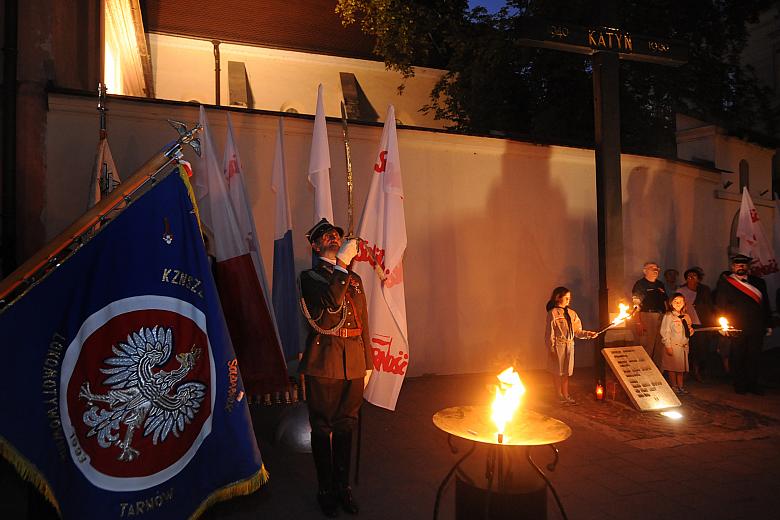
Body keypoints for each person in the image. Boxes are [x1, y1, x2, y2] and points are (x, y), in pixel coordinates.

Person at [299, 218, 373, 517]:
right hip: (325, 361)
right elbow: (329, 313)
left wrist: (368, 362)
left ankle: (343, 487)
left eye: (336, 235)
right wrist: (342, 263)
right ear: (315, 246)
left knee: (346, 425)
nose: (333, 237)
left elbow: (363, 323)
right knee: (322, 426)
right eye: (325, 236)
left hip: (353, 360)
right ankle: (325, 489)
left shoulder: (354, 280)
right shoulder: (310, 278)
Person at [714, 254, 772, 395]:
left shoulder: (759, 283)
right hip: (737, 326)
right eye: (738, 265)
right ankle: (739, 384)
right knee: (738, 356)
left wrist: (768, 324)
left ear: (748, 267)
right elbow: (721, 305)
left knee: (754, 356)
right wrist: (722, 325)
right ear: (733, 267)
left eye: (744, 264)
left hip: (756, 326)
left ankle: (753, 384)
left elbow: (765, 305)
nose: (741, 267)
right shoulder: (726, 283)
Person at [544, 287, 597, 404]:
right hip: (558, 346)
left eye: (569, 298)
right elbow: (549, 333)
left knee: (566, 372)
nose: (568, 300)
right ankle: (558, 395)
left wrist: (588, 334)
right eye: (566, 298)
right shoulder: (553, 313)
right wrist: (551, 348)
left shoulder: (572, 314)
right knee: (557, 371)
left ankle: (566, 395)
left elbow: (577, 331)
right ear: (558, 297)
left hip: (569, 346)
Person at [676, 267, 715, 381]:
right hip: (686, 323)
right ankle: (688, 371)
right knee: (688, 348)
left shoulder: (704, 290)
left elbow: (709, 306)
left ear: (699, 279)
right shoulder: (681, 290)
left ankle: (699, 371)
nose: (691, 278)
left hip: (701, 323)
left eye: (694, 276)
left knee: (701, 348)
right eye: (689, 276)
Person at [632, 262, 668, 366]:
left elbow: (665, 301)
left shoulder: (660, 284)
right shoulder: (640, 284)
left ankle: (658, 373)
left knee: (660, 347)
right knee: (647, 345)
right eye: (652, 268)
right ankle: (643, 371)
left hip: (661, 316)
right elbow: (636, 304)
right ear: (645, 271)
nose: (655, 270)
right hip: (647, 316)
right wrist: (638, 322)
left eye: (657, 268)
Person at [660, 293, 694, 394]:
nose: (678, 303)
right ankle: (674, 386)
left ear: (684, 303)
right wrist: (668, 346)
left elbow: (688, 330)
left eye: (680, 301)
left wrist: (691, 331)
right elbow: (665, 332)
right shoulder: (669, 316)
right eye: (675, 301)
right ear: (671, 303)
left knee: (680, 369)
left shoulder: (686, 316)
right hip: (673, 346)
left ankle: (681, 386)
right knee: (672, 368)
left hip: (683, 347)